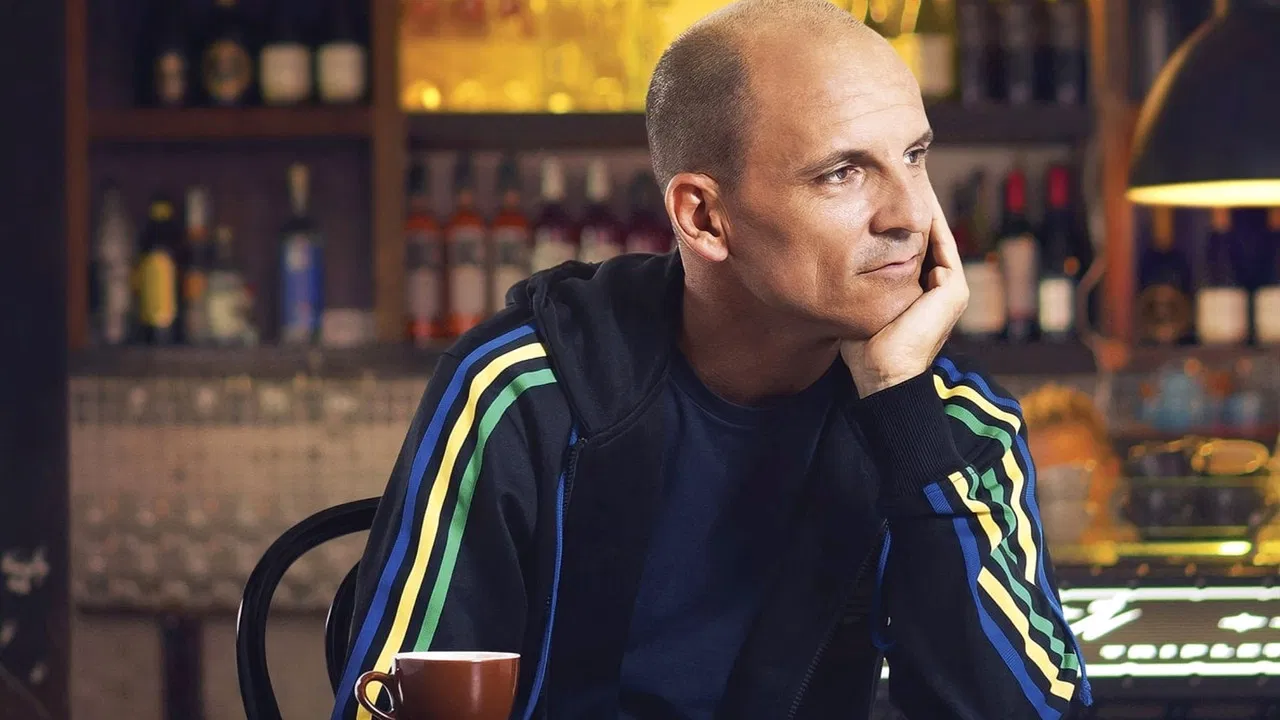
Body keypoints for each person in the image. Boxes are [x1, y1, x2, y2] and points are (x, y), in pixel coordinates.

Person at [332, 0, 1091, 717]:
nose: (911, 215)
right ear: (703, 218)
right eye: (842, 172)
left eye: (915, 156)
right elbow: (395, 704)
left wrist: (898, 401)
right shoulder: (523, 390)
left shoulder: (949, 420)